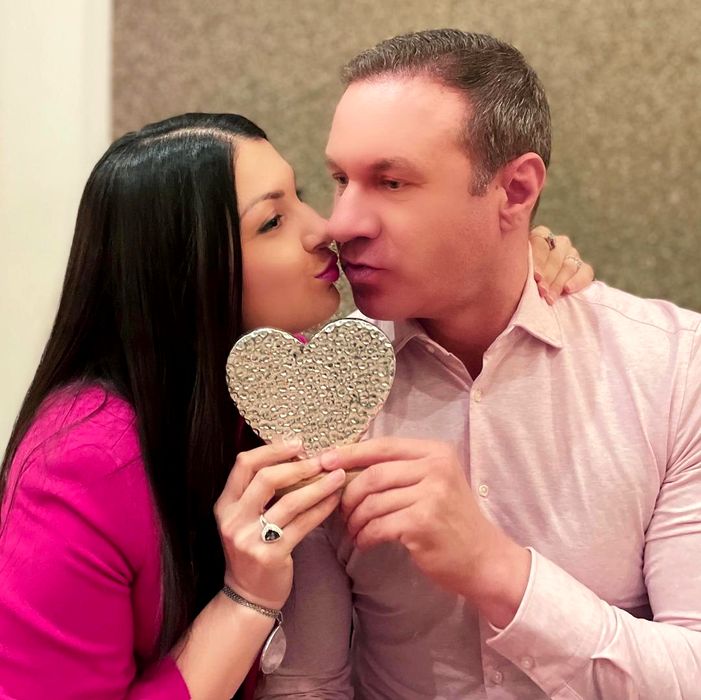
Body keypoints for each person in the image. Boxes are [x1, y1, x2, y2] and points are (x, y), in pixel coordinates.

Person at [0, 112, 586, 699]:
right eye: (272, 221)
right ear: (185, 271)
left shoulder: (272, 391)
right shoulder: (83, 463)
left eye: (302, 196)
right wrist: (246, 598)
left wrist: (510, 259)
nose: (325, 228)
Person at [256, 30, 701, 700]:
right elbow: (308, 682)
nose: (341, 223)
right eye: (341, 180)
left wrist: (497, 570)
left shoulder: (674, 368)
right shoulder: (321, 390)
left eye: (391, 182)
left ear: (515, 191)